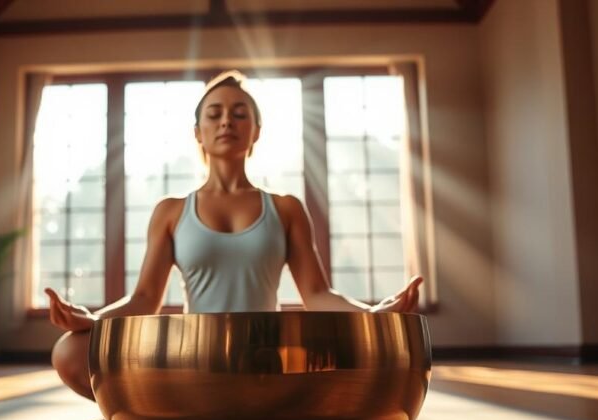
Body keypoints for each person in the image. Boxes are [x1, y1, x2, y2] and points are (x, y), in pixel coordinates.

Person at [45, 71, 424, 400]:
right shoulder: (171, 211)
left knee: (382, 349)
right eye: (215, 114)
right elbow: (144, 299)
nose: (227, 121)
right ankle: (153, 416)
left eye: (240, 114)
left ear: (256, 131)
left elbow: (317, 294)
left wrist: (372, 315)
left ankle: (189, 414)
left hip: (268, 356)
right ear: (198, 132)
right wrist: (93, 320)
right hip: (194, 355)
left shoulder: (286, 208)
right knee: (69, 352)